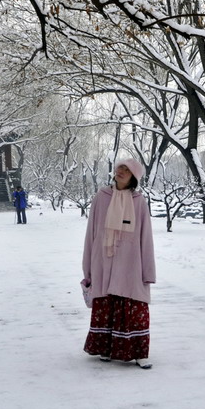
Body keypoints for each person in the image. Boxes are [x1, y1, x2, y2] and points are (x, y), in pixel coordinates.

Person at [81, 158, 156, 369]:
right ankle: (105, 348)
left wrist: (148, 272)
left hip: (131, 264)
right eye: (119, 168)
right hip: (103, 261)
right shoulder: (101, 197)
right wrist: (87, 267)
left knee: (134, 304)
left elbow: (146, 238)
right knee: (106, 302)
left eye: (127, 169)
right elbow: (91, 233)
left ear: (134, 176)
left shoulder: (139, 201)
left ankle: (139, 353)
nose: (121, 171)